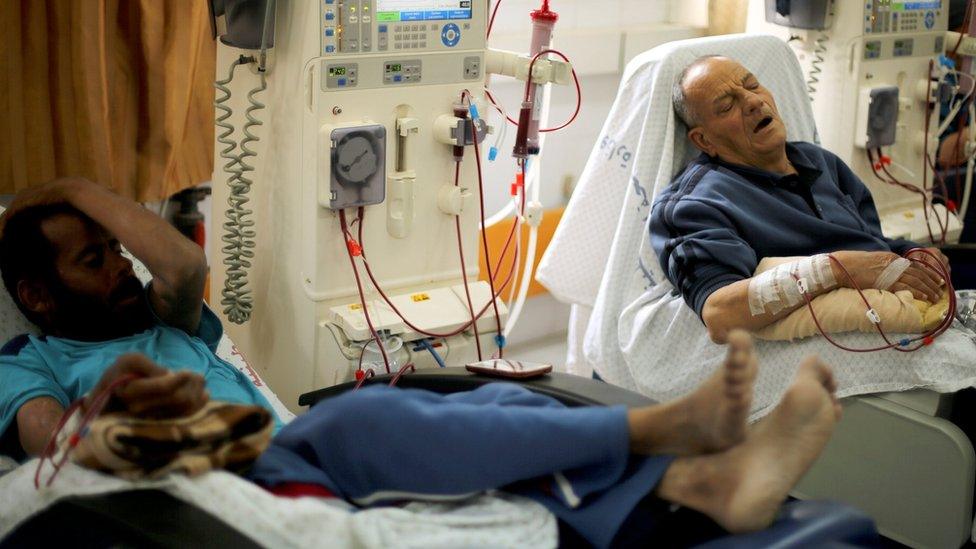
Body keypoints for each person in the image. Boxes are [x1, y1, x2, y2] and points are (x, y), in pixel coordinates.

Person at [0, 178, 842, 547]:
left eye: (114, 248)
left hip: (280, 443)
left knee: (489, 406)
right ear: (36, 297)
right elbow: (52, 446)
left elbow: (180, 265)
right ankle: (669, 433)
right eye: (91, 260)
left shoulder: (156, 310)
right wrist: (112, 411)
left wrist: (75, 187)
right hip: (223, 470)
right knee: (375, 415)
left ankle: (702, 482)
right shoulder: (24, 363)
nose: (121, 269)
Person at [652, 55, 952, 344]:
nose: (754, 101)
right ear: (704, 140)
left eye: (753, 85)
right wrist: (837, 269)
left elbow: (871, 243)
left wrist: (911, 253)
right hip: (847, 346)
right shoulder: (695, 206)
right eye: (728, 105)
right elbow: (719, 314)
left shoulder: (820, 161)